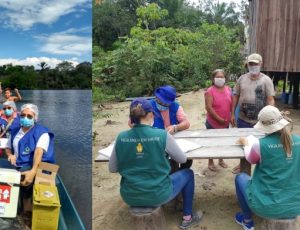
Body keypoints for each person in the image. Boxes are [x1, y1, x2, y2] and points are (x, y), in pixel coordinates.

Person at [109, 98, 202, 229]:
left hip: (129, 195)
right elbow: (182, 159)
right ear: (151, 114)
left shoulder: (121, 137)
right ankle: (187, 217)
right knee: (188, 173)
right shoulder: (162, 135)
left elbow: (112, 168)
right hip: (158, 194)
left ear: (131, 117)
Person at [234, 105, 300, 230]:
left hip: (266, 206)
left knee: (241, 178)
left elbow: (250, 159)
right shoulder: (298, 141)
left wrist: (245, 143)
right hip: (296, 205)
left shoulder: (260, 145)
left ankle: (247, 220)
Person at [5, 103, 55, 215]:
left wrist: (33, 171)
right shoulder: (15, 131)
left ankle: (27, 212)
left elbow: (38, 152)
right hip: (19, 164)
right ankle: (15, 204)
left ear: (35, 118)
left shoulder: (42, 133)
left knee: (25, 181)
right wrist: (10, 155)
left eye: (29, 116)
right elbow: (8, 147)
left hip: (39, 166)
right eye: (23, 115)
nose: (25, 118)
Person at [231, 53, 275, 174]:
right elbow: (235, 96)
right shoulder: (241, 79)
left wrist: (271, 117)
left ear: (261, 64)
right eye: (251, 64)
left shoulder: (266, 80)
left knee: (260, 144)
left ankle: (260, 167)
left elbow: (270, 99)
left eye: (255, 63)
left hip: (260, 122)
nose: (253, 66)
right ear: (247, 65)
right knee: (243, 143)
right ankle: (243, 164)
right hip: (243, 118)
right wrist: (232, 114)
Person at [151, 85, 192, 170]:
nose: (163, 104)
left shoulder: (175, 106)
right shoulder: (148, 106)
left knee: (188, 158)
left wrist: (175, 127)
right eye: (161, 101)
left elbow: (186, 123)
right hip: (154, 142)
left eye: (166, 103)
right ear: (157, 97)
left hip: (173, 140)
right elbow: (132, 123)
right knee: (170, 164)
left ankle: (180, 172)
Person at [205, 69, 232, 171]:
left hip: (225, 122)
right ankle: (210, 161)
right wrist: (219, 119)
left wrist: (231, 116)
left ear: (225, 78)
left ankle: (221, 160)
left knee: (222, 142)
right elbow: (208, 107)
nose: (220, 79)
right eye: (218, 77)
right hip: (213, 122)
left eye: (222, 77)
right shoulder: (210, 91)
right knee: (211, 142)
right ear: (213, 78)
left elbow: (231, 104)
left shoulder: (228, 89)